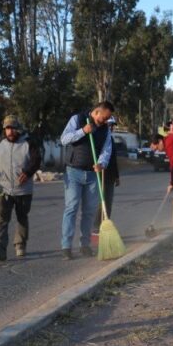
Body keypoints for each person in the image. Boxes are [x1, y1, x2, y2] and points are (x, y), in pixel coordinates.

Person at [0, 115, 41, 261]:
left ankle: (20, 245)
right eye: (7, 128)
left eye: (13, 128)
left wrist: (28, 172)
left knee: (22, 217)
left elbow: (36, 160)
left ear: (17, 129)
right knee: (2, 218)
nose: (10, 131)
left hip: (23, 190)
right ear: (4, 130)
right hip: (2, 188)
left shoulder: (28, 143)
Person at [60, 101, 115, 259]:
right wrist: (83, 131)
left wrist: (102, 163)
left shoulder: (105, 130)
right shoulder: (77, 119)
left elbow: (106, 150)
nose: (105, 122)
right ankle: (66, 247)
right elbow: (64, 139)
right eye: (104, 118)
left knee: (89, 211)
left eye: (107, 119)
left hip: (92, 174)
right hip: (73, 172)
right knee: (71, 208)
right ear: (96, 112)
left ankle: (85, 245)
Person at [93, 120, 120, 231]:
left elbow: (113, 160)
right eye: (110, 125)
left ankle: (105, 226)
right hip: (100, 174)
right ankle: (96, 227)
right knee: (101, 202)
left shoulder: (111, 140)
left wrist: (117, 176)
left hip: (110, 176)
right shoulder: (99, 137)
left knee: (108, 203)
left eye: (113, 126)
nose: (112, 127)